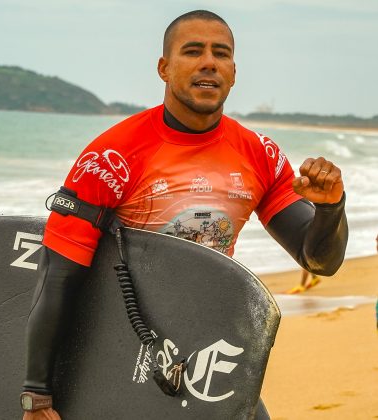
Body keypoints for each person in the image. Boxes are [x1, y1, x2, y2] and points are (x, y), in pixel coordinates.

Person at [20, 10, 348, 420]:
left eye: (221, 53)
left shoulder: (259, 155)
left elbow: (319, 260)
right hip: (122, 354)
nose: (209, 62)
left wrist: (331, 207)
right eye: (193, 51)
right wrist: (37, 393)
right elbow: (57, 276)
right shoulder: (112, 157)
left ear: (233, 72)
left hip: (207, 349)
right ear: (164, 67)